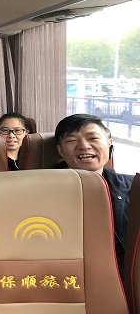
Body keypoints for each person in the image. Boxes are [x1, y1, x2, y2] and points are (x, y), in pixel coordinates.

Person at [55, 114, 132, 276]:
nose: (84, 146)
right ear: (60, 150)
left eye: (93, 138)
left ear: (109, 143)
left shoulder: (133, 187)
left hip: (128, 277)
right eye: (72, 140)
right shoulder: (43, 192)